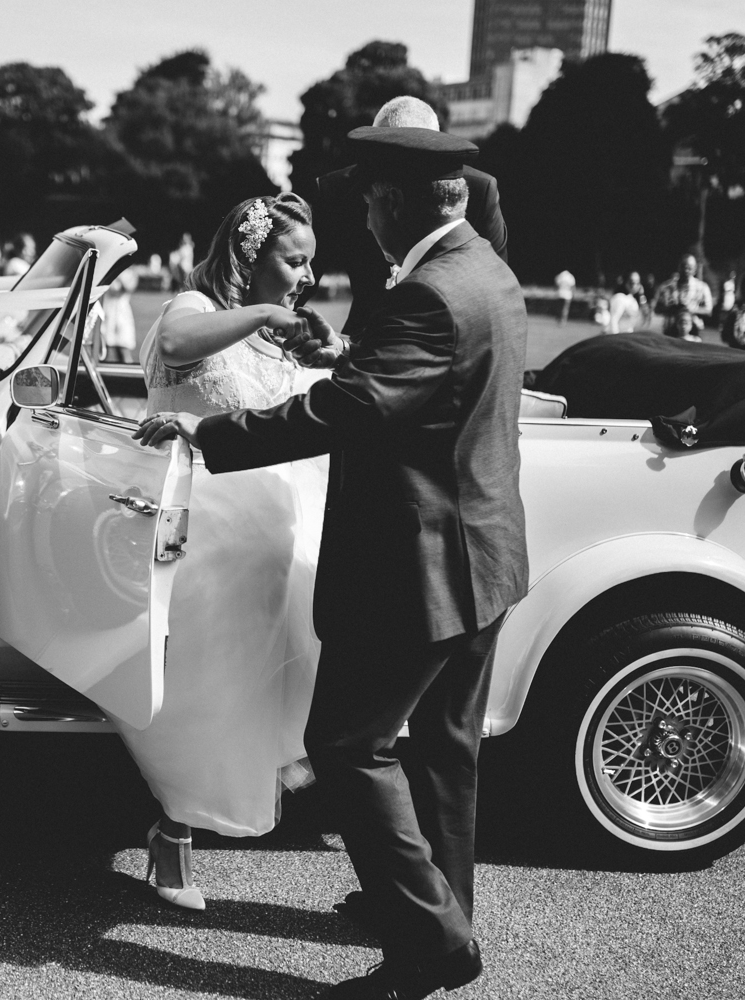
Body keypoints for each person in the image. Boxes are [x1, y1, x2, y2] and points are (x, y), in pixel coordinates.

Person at [139, 127, 528, 999]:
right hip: (486, 552)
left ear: (391, 203)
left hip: (419, 562)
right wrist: (340, 355)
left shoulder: (427, 291)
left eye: (366, 204)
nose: (364, 219)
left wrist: (207, 433)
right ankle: (440, 910)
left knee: (347, 745)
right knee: (443, 747)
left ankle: (434, 946)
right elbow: (406, 386)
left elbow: (354, 410)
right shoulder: (486, 271)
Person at [120, 192, 327, 911]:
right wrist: (269, 315)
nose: (304, 276)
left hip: (271, 534)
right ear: (249, 254)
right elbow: (176, 348)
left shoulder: (279, 340)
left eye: (309, 263)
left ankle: (181, 825)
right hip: (197, 530)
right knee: (196, 688)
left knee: (257, 687)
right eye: (293, 260)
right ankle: (171, 832)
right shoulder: (189, 304)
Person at [311, 96, 507, 337]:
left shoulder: (479, 189)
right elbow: (301, 274)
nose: (400, 171)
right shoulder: (337, 190)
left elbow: (494, 283)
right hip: (364, 330)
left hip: (444, 334)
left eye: (416, 156)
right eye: (385, 155)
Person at [653, 253, 714, 334]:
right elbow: (657, 309)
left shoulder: (702, 287)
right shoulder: (667, 287)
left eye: (690, 268)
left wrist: (692, 309)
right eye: (684, 267)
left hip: (693, 330)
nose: (686, 270)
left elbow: (709, 311)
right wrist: (670, 308)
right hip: (671, 330)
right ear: (679, 267)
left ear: (695, 270)